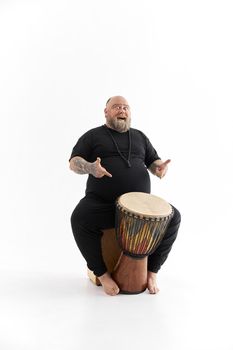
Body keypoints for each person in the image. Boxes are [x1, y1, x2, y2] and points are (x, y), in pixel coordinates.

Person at [69, 96, 181, 296]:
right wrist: (90, 168)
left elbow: (153, 162)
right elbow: (73, 162)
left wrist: (159, 168)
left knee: (174, 217)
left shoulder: (139, 137)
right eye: (116, 107)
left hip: (139, 207)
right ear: (106, 112)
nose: (122, 110)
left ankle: (152, 272)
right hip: (104, 203)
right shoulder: (93, 136)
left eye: (125, 107)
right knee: (79, 218)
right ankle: (103, 275)